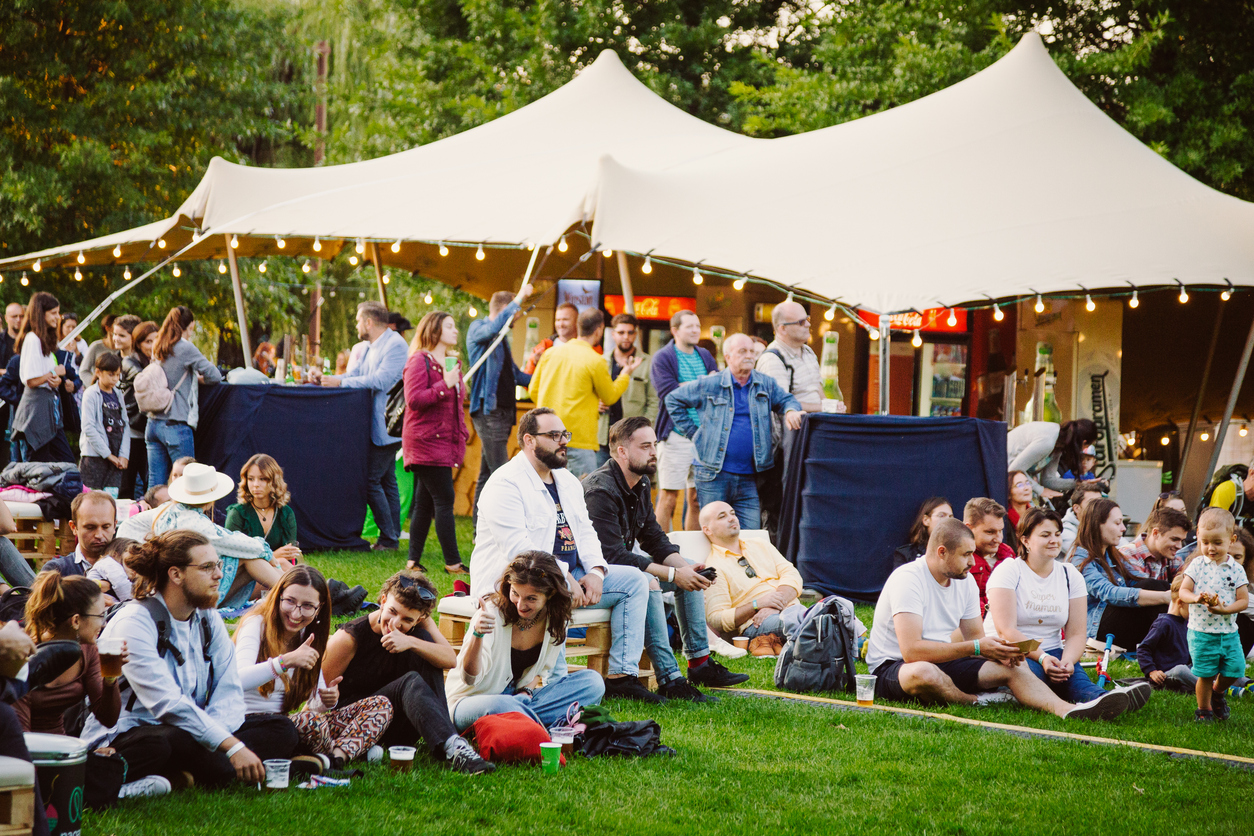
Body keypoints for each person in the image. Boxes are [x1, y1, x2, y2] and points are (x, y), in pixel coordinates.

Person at [81, 530, 297, 789]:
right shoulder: (136, 621)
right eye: (207, 567)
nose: (219, 575)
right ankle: (227, 769)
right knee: (168, 740)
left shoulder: (207, 617)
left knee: (281, 729)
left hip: (193, 728)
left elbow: (228, 691)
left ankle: (192, 772)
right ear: (176, 574)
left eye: (218, 565)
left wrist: (219, 739)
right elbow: (167, 704)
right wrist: (231, 746)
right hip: (140, 732)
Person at [469, 407, 655, 702]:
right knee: (548, 590)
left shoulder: (566, 480)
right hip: (520, 584)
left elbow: (585, 530)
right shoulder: (504, 483)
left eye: (564, 434)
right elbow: (519, 549)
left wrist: (596, 571)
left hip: (572, 575)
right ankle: (553, 684)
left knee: (635, 581)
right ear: (529, 440)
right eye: (553, 435)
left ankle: (622, 677)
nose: (562, 441)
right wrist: (563, 577)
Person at [864, 517, 1128, 719]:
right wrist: (978, 648)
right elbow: (912, 652)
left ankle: (1067, 710)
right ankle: (974, 701)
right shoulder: (908, 578)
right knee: (924, 672)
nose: (972, 562)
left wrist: (1000, 653)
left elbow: (976, 638)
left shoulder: (964, 581)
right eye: (966, 555)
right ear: (942, 552)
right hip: (894, 666)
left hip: (945, 658)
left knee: (1013, 666)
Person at [584, 417, 749, 701]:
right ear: (622, 451)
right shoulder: (600, 490)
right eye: (645, 446)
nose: (653, 452)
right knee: (650, 579)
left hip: (624, 568)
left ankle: (699, 663)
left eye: (654, 445)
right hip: (594, 574)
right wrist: (673, 575)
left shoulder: (641, 482)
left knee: (688, 566)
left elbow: (653, 537)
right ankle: (670, 680)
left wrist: (685, 569)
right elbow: (612, 556)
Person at [321, 570, 494, 774]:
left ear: (420, 618)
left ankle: (451, 744)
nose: (395, 623)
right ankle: (452, 745)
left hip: (397, 727)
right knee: (409, 680)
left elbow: (449, 659)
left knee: (426, 645)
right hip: (357, 722)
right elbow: (317, 693)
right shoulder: (350, 637)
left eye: (407, 619)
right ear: (383, 601)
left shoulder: (416, 628)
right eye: (392, 611)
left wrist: (410, 642)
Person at [986, 507, 1151, 712]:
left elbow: (1076, 634)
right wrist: (1043, 657)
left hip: (1055, 652)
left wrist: (1067, 661)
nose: (1054, 540)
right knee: (1036, 675)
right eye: (1045, 535)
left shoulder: (1069, 574)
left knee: (1075, 680)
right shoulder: (1009, 570)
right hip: (1016, 653)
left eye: (1057, 534)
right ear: (1025, 540)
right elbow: (1006, 631)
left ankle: (1105, 700)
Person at [234, 565, 392, 769]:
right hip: (250, 726)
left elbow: (315, 706)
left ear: (320, 608)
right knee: (309, 723)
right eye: (290, 601)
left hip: (288, 724)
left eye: (307, 606)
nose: (296, 613)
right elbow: (238, 679)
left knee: (380, 705)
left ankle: (333, 758)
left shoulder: (309, 637)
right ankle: (340, 754)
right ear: (278, 597)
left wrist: (328, 700)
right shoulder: (256, 624)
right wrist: (284, 662)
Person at [447, 552, 606, 730]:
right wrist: (477, 635)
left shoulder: (556, 619)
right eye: (515, 593)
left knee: (593, 682)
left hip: (519, 700)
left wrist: (526, 690)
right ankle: (538, 725)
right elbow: (470, 678)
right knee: (504, 706)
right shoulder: (491, 613)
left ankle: (519, 722)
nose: (521, 605)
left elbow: (541, 669)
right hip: (472, 702)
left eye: (531, 598)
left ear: (551, 594)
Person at [666, 333, 802, 531]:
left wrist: (790, 411)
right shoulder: (710, 384)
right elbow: (673, 400)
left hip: (750, 476)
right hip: (713, 472)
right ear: (728, 357)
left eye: (751, 351)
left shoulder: (765, 383)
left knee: (750, 534)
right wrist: (696, 434)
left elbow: (787, 399)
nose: (749, 355)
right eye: (742, 351)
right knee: (715, 532)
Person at [311, 301, 408, 551]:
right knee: (387, 481)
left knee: (371, 481)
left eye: (357, 320)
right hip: (377, 425)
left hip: (388, 424)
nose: (355, 325)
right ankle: (392, 535)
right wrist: (331, 379)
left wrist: (340, 384)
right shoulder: (370, 346)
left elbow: (381, 380)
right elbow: (357, 374)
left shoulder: (395, 344)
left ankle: (389, 537)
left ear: (368, 322)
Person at [755, 300, 839, 538]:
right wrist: (825, 407)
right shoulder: (772, 358)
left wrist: (830, 406)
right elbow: (780, 402)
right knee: (784, 502)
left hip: (813, 435)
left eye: (808, 320)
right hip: (787, 443)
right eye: (801, 322)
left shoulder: (809, 351)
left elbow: (818, 388)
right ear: (782, 328)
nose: (808, 326)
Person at [151, 463, 285, 609]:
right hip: (189, 592)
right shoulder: (197, 525)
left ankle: (292, 590)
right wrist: (268, 553)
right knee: (252, 557)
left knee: (262, 560)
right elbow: (242, 545)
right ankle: (291, 595)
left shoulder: (167, 511)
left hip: (173, 584)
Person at [528, 308, 639, 479]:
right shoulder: (595, 360)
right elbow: (609, 397)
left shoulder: (550, 354)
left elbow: (534, 391)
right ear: (599, 330)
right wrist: (625, 374)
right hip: (579, 441)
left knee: (547, 496)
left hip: (546, 437)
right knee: (580, 497)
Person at [402, 311, 469, 573]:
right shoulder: (419, 361)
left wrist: (461, 432)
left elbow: (456, 404)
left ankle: (412, 561)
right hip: (425, 440)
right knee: (444, 497)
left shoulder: (452, 362)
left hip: (445, 440)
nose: (455, 331)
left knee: (425, 501)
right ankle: (452, 562)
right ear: (435, 330)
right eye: (449, 326)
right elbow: (415, 400)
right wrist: (445, 383)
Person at [699, 501, 809, 650]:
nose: (732, 518)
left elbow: (792, 574)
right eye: (722, 516)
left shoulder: (760, 544)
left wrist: (775, 604)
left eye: (733, 513)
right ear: (707, 530)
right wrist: (757, 604)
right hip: (757, 624)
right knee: (810, 620)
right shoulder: (714, 567)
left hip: (790, 611)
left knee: (838, 610)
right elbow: (717, 619)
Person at [466, 287, 534, 526]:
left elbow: (514, 374)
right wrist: (519, 299)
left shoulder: (501, 338)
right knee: (504, 474)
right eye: (515, 314)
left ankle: (478, 529)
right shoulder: (479, 329)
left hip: (504, 413)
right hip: (488, 412)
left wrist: (541, 379)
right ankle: (510, 526)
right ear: (506, 309)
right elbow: (493, 328)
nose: (516, 319)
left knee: (487, 475)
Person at [1070, 497, 1171, 649]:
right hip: (1095, 631)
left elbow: (1138, 579)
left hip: (1114, 625)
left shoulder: (1112, 554)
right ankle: (1177, 651)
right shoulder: (1079, 558)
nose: (1123, 528)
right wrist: (1164, 597)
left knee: (1157, 584)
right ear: (1097, 525)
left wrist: (1175, 590)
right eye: (1117, 523)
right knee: (1153, 588)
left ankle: (1176, 650)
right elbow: (1108, 593)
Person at [1179, 508, 1250, 721]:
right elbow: (1183, 591)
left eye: (1217, 543)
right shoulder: (1197, 565)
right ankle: (1204, 710)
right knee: (1205, 674)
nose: (1210, 548)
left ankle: (1218, 693)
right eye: (1205, 542)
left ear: (1231, 539)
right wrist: (1196, 598)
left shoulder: (1236, 569)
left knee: (1235, 669)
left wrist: (1224, 609)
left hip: (1228, 631)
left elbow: (1243, 600)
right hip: (1202, 632)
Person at [651, 310, 717, 532]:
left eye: (698, 326)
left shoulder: (705, 355)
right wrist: (702, 384)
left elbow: (716, 389)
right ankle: (658, 553)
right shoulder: (663, 357)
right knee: (668, 497)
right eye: (690, 326)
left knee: (697, 498)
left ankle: (690, 553)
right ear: (675, 330)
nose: (696, 330)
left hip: (703, 436)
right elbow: (668, 393)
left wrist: (688, 386)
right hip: (675, 437)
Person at [145, 306, 222, 487]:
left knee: (155, 485)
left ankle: (154, 515)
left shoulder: (159, 345)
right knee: (186, 483)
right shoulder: (185, 347)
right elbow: (214, 375)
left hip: (153, 423)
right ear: (191, 326)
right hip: (175, 424)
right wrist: (199, 378)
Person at [12, 291, 74, 462]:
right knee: (37, 468)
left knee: (65, 463)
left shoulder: (43, 339)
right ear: (41, 313)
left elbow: (44, 377)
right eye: (53, 313)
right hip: (36, 412)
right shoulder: (32, 339)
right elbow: (30, 380)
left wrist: (56, 380)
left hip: (49, 410)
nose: (58, 317)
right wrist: (55, 372)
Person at [595, 313, 658, 468]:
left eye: (630, 333)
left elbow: (654, 401)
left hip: (632, 437)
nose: (626, 337)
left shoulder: (648, 363)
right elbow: (588, 394)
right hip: (603, 436)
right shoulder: (601, 361)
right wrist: (595, 404)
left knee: (632, 486)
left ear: (636, 334)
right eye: (621, 332)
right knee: (600, 484)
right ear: (613, 334)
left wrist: (644, 430)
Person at [224, 454, 302, 564]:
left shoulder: (286, 513)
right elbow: (231, 555)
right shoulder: (237, 513)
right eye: (251, 479)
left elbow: (289, 555)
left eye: (262, 479)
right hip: (245, 574)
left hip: (279, 569)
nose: (255, 485)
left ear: (274, 481)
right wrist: (273, 555)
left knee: (286, 564)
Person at [1137, 574, 1198, 693]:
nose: (1197, 613)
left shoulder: (1187, 624)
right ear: (1180, 602)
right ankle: (1213, 689)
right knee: (1180, 670)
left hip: (1186, 671)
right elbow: (1143, 649)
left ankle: (1244, 684)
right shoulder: (1164, 623)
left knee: (1214, 663)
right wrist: (1152, 671)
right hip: (1167, 675)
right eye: (1194, 607)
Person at [78, 352, 130, 495]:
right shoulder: (90, 394)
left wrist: (124, 455)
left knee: (111, 499)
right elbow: (89, 428)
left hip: (116, 460)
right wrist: (108, 455)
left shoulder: (118, 394)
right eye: (111, 374)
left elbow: (125, 424)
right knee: (91, 499)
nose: (115, 379)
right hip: (94, 458)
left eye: (118, 375)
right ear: (98, 372)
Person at [41, 491, 117, 580]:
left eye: (106, 527)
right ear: (74, 527)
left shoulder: (129, 568)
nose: (99, 535)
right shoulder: (56, 571)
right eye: (90, 527)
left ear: (114, 526)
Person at [116, 316, 151, 500]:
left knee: (147, 482)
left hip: (146, 427)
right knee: (127, 483)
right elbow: (144, 382)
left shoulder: (148, 361)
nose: (152, 346)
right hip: (133, 428)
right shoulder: (130, 362)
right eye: (148, 341)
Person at [964, 497, 1015, 617]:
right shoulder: (956, 559)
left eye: (1000, 531)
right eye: (990, 532)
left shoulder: (1008, 554)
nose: (998, 539)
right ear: (969, 528)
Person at [1117, 506, 1190, 583]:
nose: (1179, 546)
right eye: (1174, 539)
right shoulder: (1129, 554)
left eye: (1182, 541)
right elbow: (1145, 590)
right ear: (1155, 533)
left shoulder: (1172, 558)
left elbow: (1188, 586)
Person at [892, 497, 952, 570]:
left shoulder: (958, 552)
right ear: (926, 520)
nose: (948, 520)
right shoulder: (906, 554)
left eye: (951, 517)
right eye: (941, 515)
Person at [523, 302, 577, 375]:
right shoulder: (543, 348)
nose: (561, 324)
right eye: (558, 320)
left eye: (565, 320)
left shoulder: (587, 347)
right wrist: (536, 364)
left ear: (577, 321)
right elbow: (528, 380)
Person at [86, 537, 139, 603]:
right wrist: (137, 604)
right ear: (115, 555)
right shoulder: (108, 562)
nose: (135, 569)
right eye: (130, 562)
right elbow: (121, 584)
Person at [1060, 482, 1103, 555]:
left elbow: (1124, 548)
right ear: (1076, 508)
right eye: (1092, 503)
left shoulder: (1103, 524)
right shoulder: (1064, 530)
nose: (1098, 507)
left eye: (1100, 503)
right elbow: (1083, 555)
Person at [77, 313, 117, 387]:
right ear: (107, 328)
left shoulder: (122, 348)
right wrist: (94, 386)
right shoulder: (96, 346)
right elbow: (83, 371)